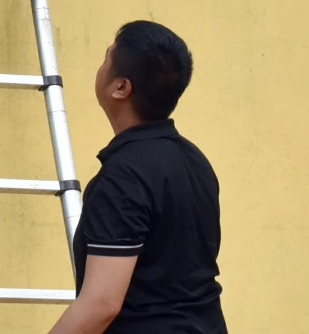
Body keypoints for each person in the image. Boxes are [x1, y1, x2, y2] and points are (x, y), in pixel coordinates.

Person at [52, 21, 227, 334]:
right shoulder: (195, 161)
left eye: (106, 58)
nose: (101, 66)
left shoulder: (123, 178)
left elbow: (100, 304)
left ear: (121, 87)